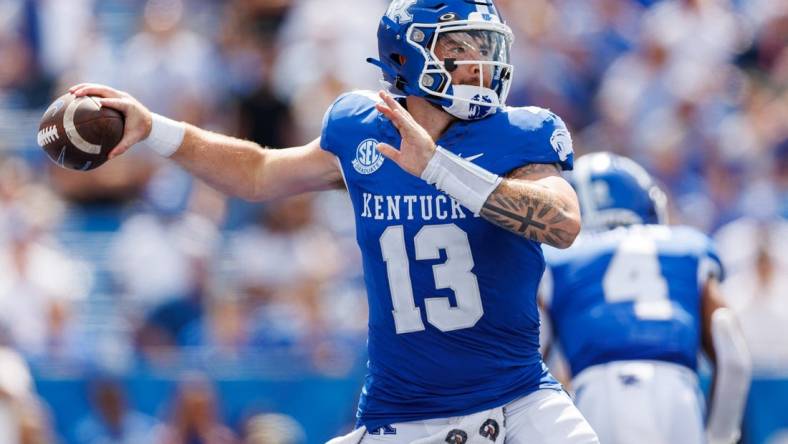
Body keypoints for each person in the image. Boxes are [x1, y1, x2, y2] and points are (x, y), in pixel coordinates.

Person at [68, 0, 598, 442]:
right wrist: (153, 127)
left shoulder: (521, 133)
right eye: (461, 48)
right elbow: (257, 173)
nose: (481, 63)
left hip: (520, 403)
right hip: (405, 417)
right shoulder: (361, 127)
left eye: (485, 47)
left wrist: (437, 168)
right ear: (407, 54)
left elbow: (562, 221)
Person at [539, 152, 752, 444]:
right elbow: (732, 353)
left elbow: (530, 359)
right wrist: (720, 435)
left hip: (596, 397)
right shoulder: (687, 246)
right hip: (677, 397)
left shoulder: (556, 261)